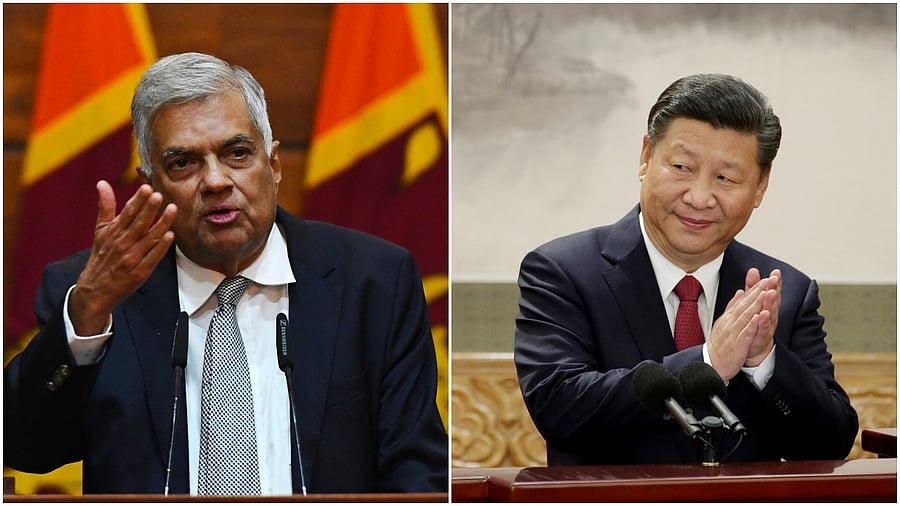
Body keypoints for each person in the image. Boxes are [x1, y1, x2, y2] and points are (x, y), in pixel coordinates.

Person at [4, 52, 448, 495]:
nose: (215, 181)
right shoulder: (90, 294)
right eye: (183, 163)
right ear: (151, 183)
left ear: (273, 165)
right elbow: (27, 448)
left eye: (236, 153)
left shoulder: (375, 282)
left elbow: (416, 468)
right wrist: (86, 318)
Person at [514, 74, 859, 466]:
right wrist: (708, 362)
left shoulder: (784, 291)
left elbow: (831, 443)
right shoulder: (563, 271)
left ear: (760, 186)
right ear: (646, 157)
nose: (699, 197)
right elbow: (559, 409)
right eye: (681, 167)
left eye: (725, 178)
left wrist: (765, 361)